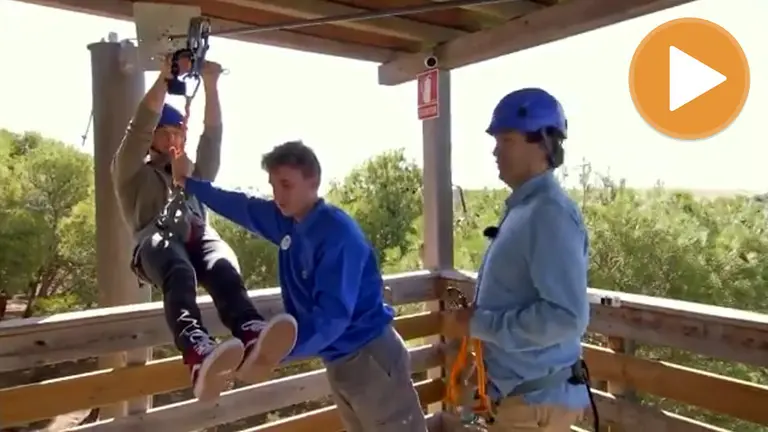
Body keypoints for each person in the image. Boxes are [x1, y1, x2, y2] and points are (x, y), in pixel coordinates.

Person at [169, 140, 428, 432]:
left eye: (286, 184)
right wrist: (190, 184)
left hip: (370, 358)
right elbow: (241, 206)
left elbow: (333, 316)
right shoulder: (288, 222)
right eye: (273, 185)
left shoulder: (337, 235)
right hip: (339, 360)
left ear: (313, 181)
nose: (278, 195)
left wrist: (276, 352)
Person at [110, 57, 298, 402]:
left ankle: (250, 331)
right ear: (154, 137)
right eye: (168, 132)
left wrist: (211, 84)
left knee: (222, 262)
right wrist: (165, 80)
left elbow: (212, 137)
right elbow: (138, 127)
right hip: (156, 245)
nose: (175, 137)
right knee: (178, 269)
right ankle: (196, 351)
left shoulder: (191, 175)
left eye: (178, 132)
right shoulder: (130, 172)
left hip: (195, 237)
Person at [442, 88, 591, 431]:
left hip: (535, 404)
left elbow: (567, 317)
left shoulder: (548, 214)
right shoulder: (527, 209)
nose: (495, 150)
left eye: (506, 140)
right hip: (524, 398)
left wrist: (480, 324)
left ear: (541, 144)